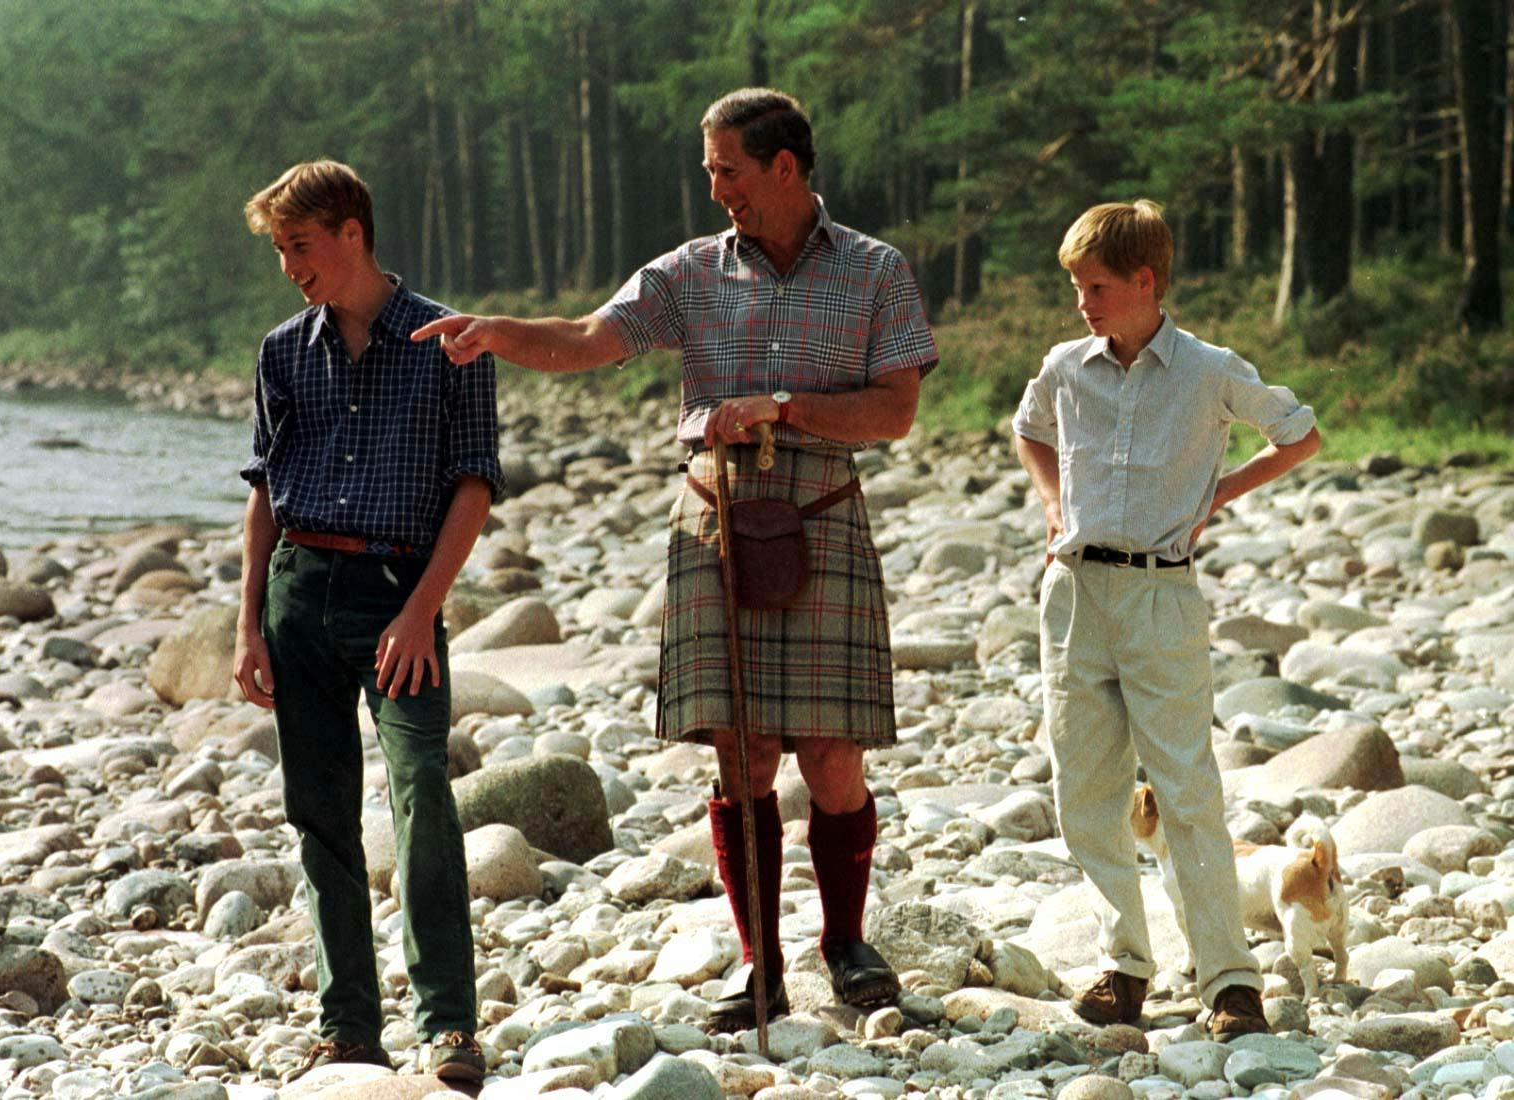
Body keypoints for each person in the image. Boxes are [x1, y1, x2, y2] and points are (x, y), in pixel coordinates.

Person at [413, 87, 938, 1032]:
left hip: (822, 511)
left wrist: (783, 404)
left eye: (726, 169)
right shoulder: (689, 272)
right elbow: (584, 338)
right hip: (717, 519)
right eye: (709, 170)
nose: (713, 188)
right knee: (740, 754)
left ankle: (846, 944)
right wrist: (495, 333)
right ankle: (760, 964)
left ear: (783, 168)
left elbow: (895, 411)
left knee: (830, 755)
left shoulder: (875, 271)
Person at [1011, 199, 1322, 1040]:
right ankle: (1126, 967)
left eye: (1097, 285)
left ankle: (1229, 979)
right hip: (1073, 596)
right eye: (1077, 286)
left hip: (1161, 596)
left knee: (1186, 790)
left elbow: (1300, 435)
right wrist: (1051, 503)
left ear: (1146, 281)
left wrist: (1218, 492)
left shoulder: (1211, 369)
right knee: (1084, 793)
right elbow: (1028, 429)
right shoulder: (1066, 366)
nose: (1083, 302)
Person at [233, 160, 501, 1084]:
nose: (288, 266)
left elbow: (475, 486)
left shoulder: (451, 341)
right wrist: (246, 625)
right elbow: (264, 492)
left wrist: (423, 611)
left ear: (352, 231)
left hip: (400, 593)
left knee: (424, 787)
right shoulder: (281, 351)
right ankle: (349, 1026)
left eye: (298, 246)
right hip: (299, 594)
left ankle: (449, 1026)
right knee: (320, 815)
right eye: (279, 250)